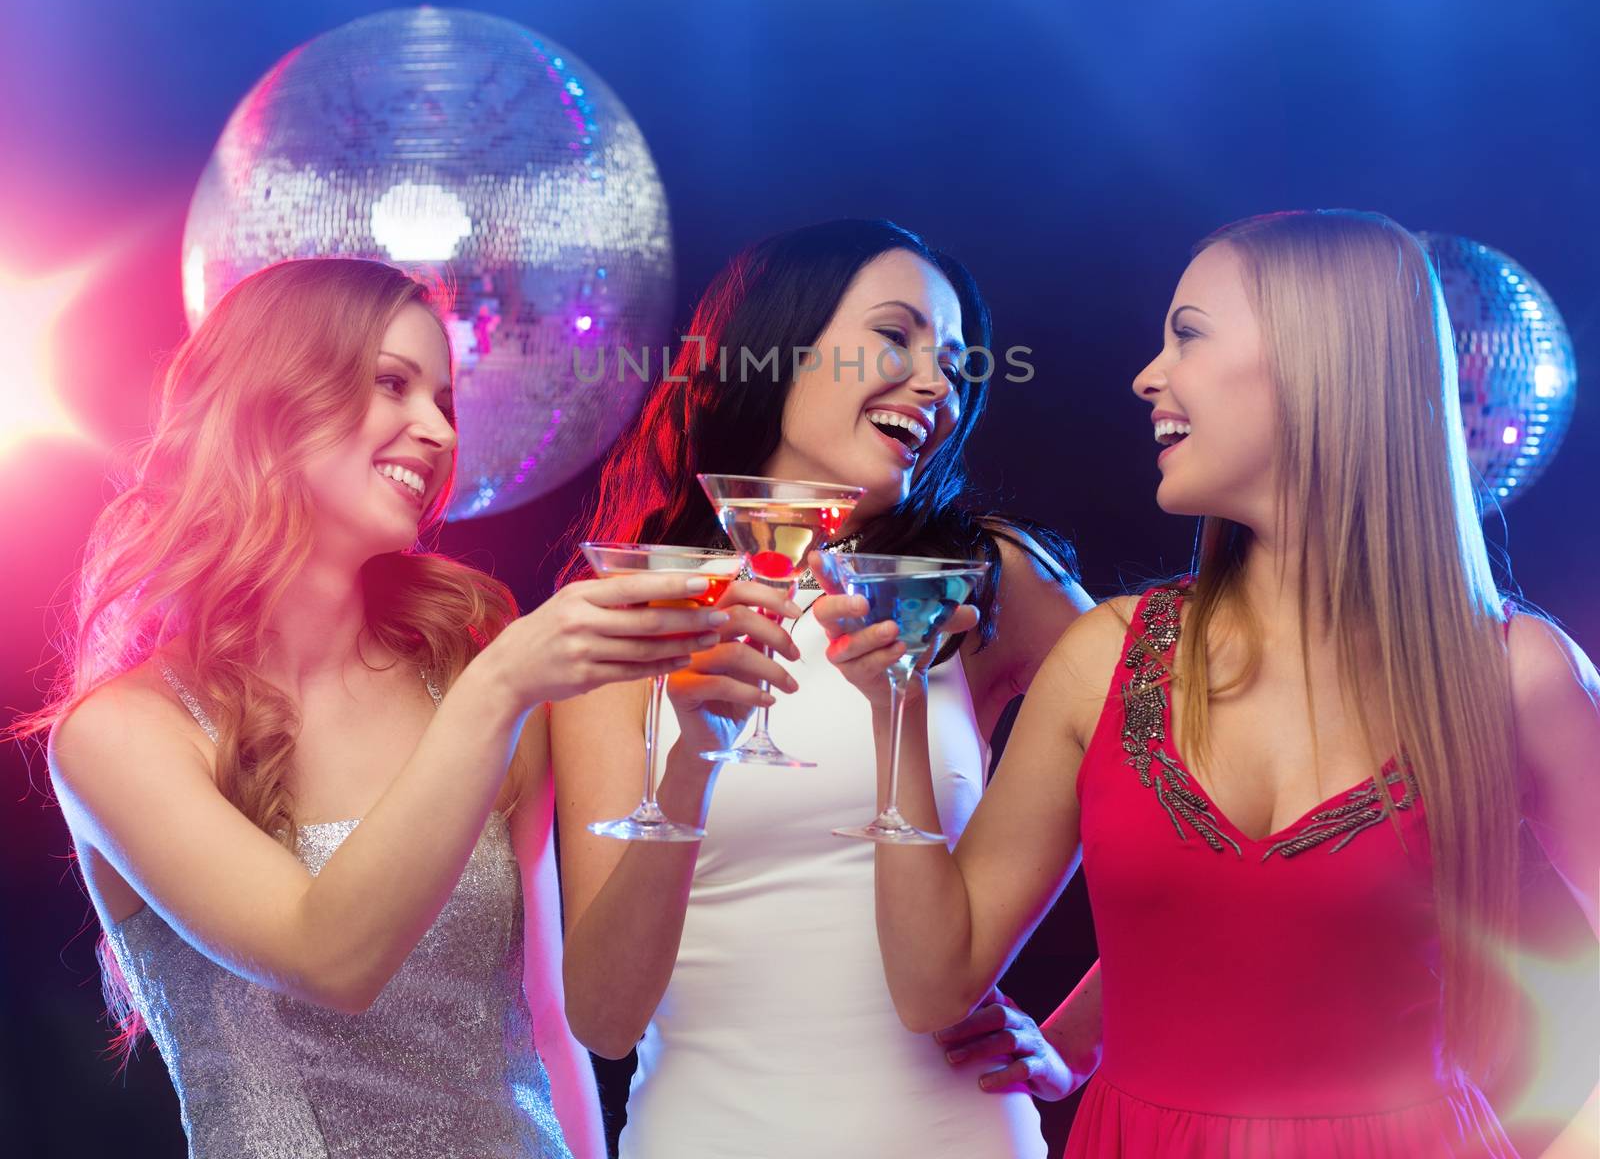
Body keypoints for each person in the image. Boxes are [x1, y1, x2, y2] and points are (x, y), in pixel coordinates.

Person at [828, 209, 1600, 1157]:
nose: (1148, 376)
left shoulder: (1519, 673)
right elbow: (932, 984)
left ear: (1325, 362)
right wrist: (896, 707)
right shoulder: (1104, 656)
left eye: (1188, 334)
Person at [24, 257, 729, 1159]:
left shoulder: (464, 669)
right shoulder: (120, 736)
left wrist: (688, 752)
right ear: (269, 404)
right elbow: (330, 958)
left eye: (444, 401)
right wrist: (502, 686)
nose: (435, 430)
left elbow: (549, 1025)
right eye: (393, 384)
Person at [552, 218, 1097, 1159]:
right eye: (898, 336)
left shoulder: (981, 579)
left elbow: (1203, 810)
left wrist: (1077, 1045)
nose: (938, 385)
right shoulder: (630, 608)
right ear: (780, 347)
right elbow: (602, 1018)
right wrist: (692, 764)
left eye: (958, 365)